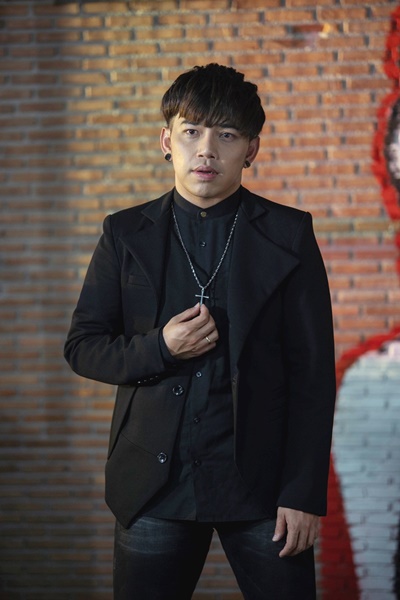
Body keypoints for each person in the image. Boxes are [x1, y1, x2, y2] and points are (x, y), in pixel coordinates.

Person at [64, 63, 336, 600]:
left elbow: (313, 375)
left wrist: (303, 492)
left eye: (227, 135)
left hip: (264, 488)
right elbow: (83, 346)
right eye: (192, 131)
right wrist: (160, 348)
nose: (206, 150)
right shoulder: (124, 233)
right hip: (154, 485)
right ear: (167, 141)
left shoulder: (289, 234)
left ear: (251, 149)